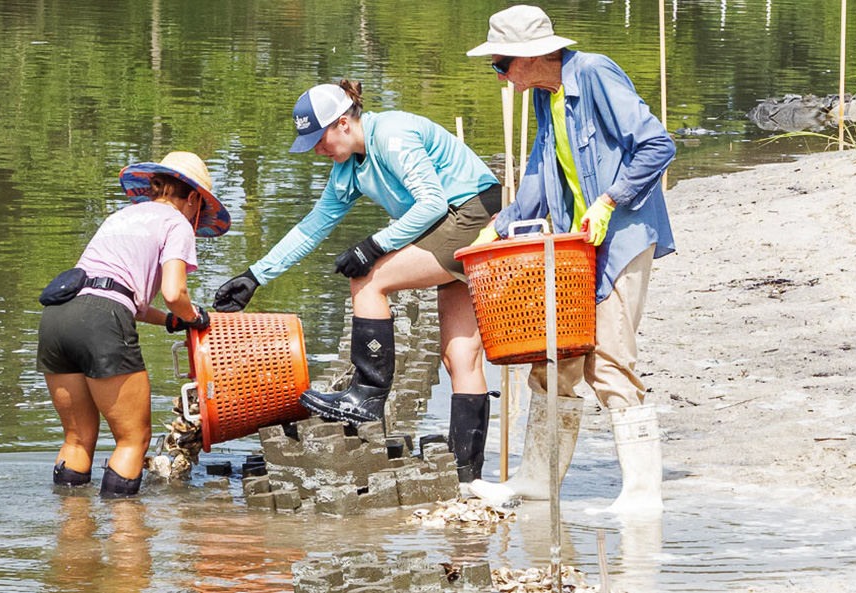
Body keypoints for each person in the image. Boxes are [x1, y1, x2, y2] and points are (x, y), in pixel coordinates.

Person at [213, 80, 502, 483]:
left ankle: (365, 395)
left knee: (367, 281)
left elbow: (432, 202)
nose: (317, 150)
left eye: (320, 138)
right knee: (459, 357)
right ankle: (465, 477)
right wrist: (254, 276)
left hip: (471, 213)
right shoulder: (347, 169)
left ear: (344, 123)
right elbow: (312, 227)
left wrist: (373, 245)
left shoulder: (392, 136)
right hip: (447, 221)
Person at [464, 5, 676, 515]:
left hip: (622, 236)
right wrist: (499, 226)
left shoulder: (594, 73)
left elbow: (656, 144)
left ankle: (644, 496)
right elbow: (539, 172)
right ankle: (537, 482)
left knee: (609, 361)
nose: (499, 74)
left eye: (501, 64)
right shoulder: (545, 95)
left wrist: (609, 201)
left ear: (532, 56)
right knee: (553, 360)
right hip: (574, 247)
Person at [37, 151, 228, 498]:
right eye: (199, 212)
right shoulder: (177, 223)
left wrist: (171, 322)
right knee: (133, 440)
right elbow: (174, 292)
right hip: (100, 320)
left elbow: (126, 298)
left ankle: (72, 537)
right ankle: (129, 543)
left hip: (58, 315)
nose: (197, 223)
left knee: (78, 438)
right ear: (194, 198)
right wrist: (194, 316)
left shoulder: (122, 216)